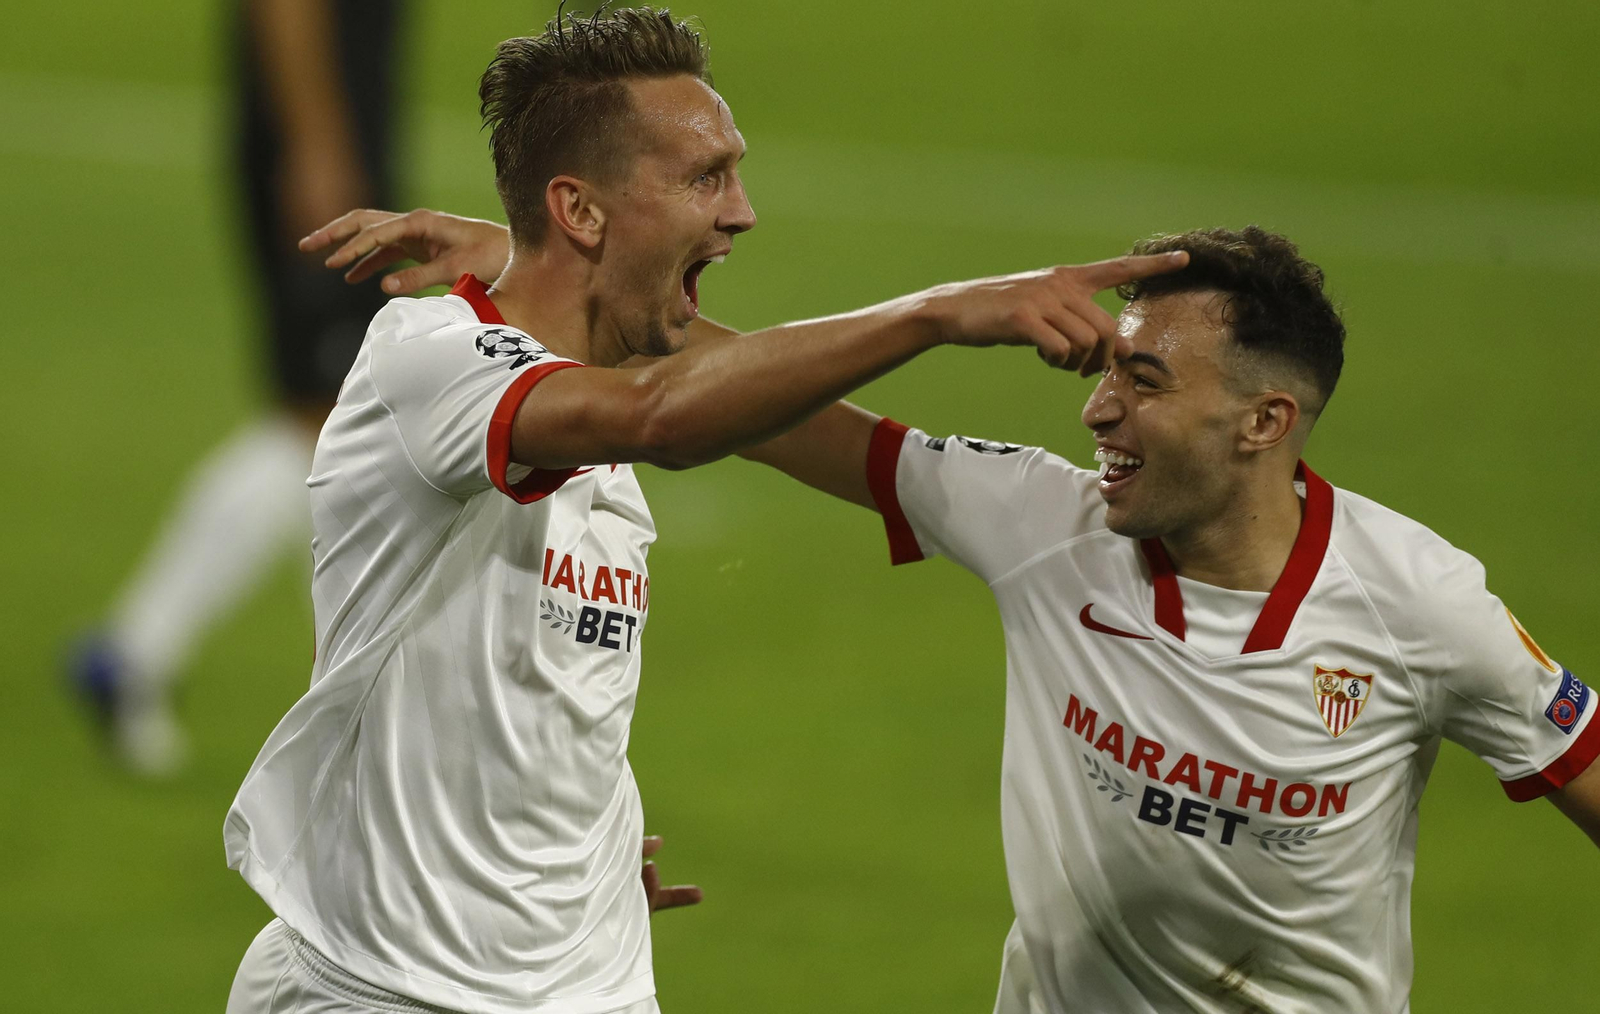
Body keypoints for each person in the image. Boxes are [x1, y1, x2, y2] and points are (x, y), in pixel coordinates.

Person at [308, 203, 1600, 1011]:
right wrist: (553, 285)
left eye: (1143, 379)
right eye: (1105, 370)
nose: (1097, 409)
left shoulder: (1420, 606)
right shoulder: (1049, 524)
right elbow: (784, 416)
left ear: (1264, 420)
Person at [224, 8, 1187, 1014]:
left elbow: (772, 433)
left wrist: (563, 836)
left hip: (587, 979)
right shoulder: (429, 360)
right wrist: (936, 312)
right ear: (582, 212)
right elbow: (662, 416)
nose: (741, 213)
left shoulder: (596, 382)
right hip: (382, 987)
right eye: (704, 178)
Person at [71, 0, 408, 775]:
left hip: (331, 135)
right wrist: (316, 140)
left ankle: (140, 651)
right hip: (319, 142)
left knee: (335, 421)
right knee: (339, 423)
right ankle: (146, 651)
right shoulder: (316, 132)